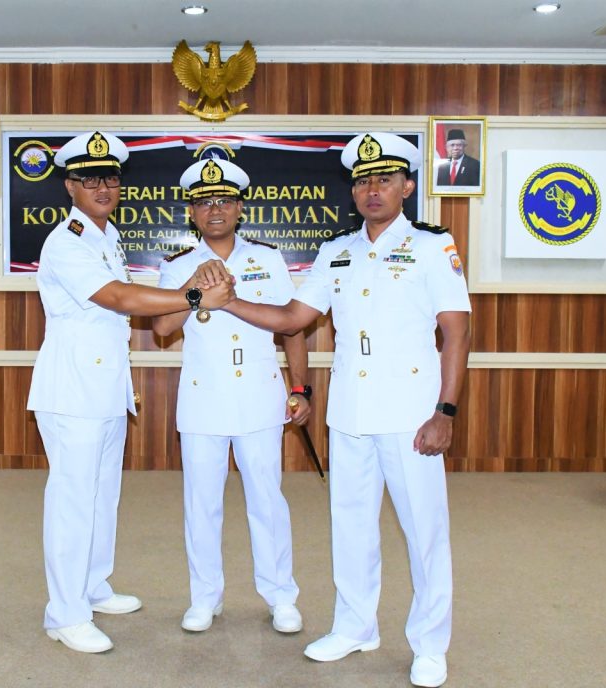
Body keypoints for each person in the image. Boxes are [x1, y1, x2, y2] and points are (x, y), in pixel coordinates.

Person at [222, 132, 471, 688]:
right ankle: (355, 626)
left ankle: (430, 645)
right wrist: (231, 301)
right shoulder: (337, 250)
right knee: (352, 527)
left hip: (411, 414)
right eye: (362, 181)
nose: (372, 189)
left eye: (384, 179)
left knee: (424, 533)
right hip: (351, 413)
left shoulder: (432, 245)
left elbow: (456, 333)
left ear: (407, 186)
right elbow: (294, 317)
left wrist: (446, 411)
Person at [27, 131, 235, 654]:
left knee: (103, 495)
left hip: (104, 388)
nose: (103, 187)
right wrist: (194, 295)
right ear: (70, 186)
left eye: (111, 178)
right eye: (90, 179)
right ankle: (65, 613)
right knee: (73, 501)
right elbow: (118, 297)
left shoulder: (106, 235)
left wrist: (188, 294)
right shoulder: (66, 241)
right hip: (72, 391)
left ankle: (93, 586)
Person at [153, 156, 310, 635]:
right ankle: (205, 598)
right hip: (204, 399)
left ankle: (280, 596)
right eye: (204, 202)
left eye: (224, 200)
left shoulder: (267, 258)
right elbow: (162, 328)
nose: (215, 209)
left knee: (267, 500)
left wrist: (300, 388)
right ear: (191, 212)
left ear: (240, 207)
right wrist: (193, 287)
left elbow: (292, 327)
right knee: (202, 503)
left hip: (260, 396)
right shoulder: (178, 265)